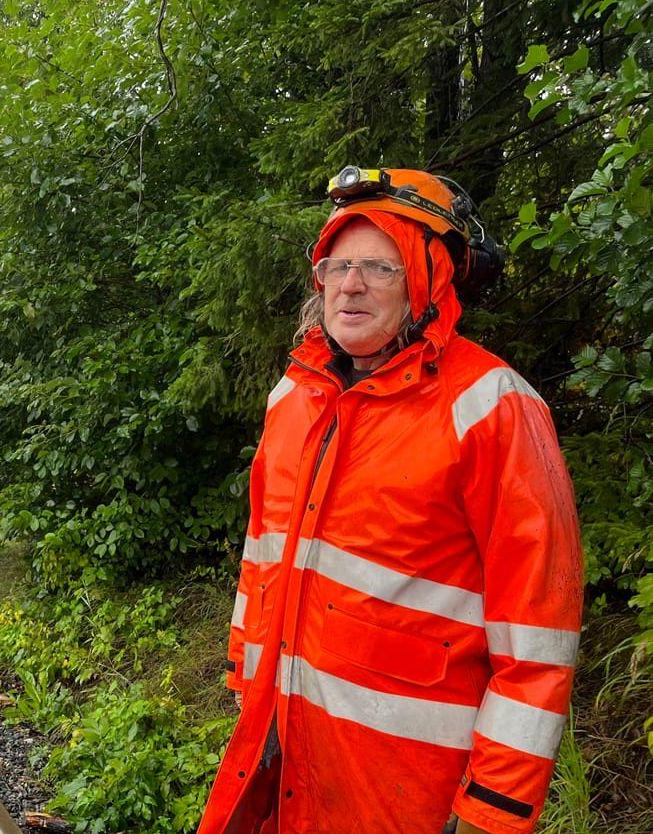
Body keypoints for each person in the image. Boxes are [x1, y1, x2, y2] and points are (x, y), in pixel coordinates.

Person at [197, 168, 583, 834]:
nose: (350, 285)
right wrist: (245, 680)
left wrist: (497, 802)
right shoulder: (292, 399)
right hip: (280, 743)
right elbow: (261, 559)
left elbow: (537, 632)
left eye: (379, 267)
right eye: (337, 265)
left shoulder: (490, 408)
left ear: (427, 281)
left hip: (411, 783)